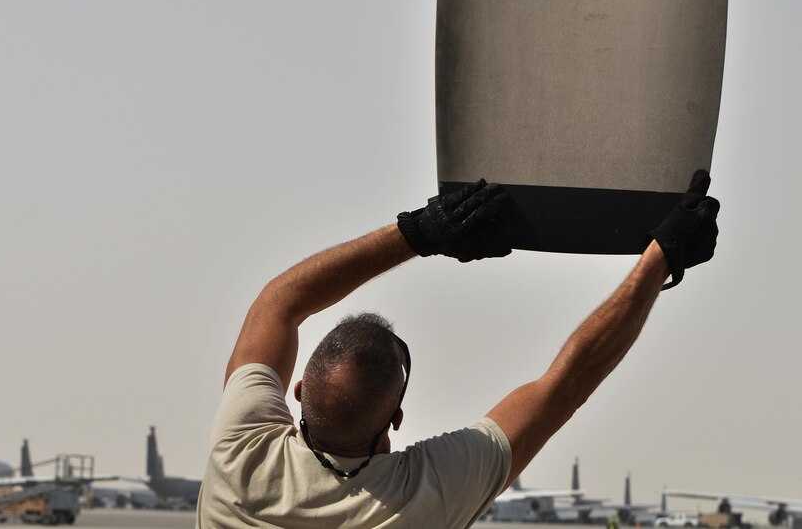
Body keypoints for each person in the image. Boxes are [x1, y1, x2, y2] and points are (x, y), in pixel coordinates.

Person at [197, 171, 720, 528]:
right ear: (397, 417)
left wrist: (420, 232)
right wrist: (661, 255)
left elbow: (277, 305)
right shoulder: (425, 497)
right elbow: (565, 384)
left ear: (298, 389)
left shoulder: (239, 455)